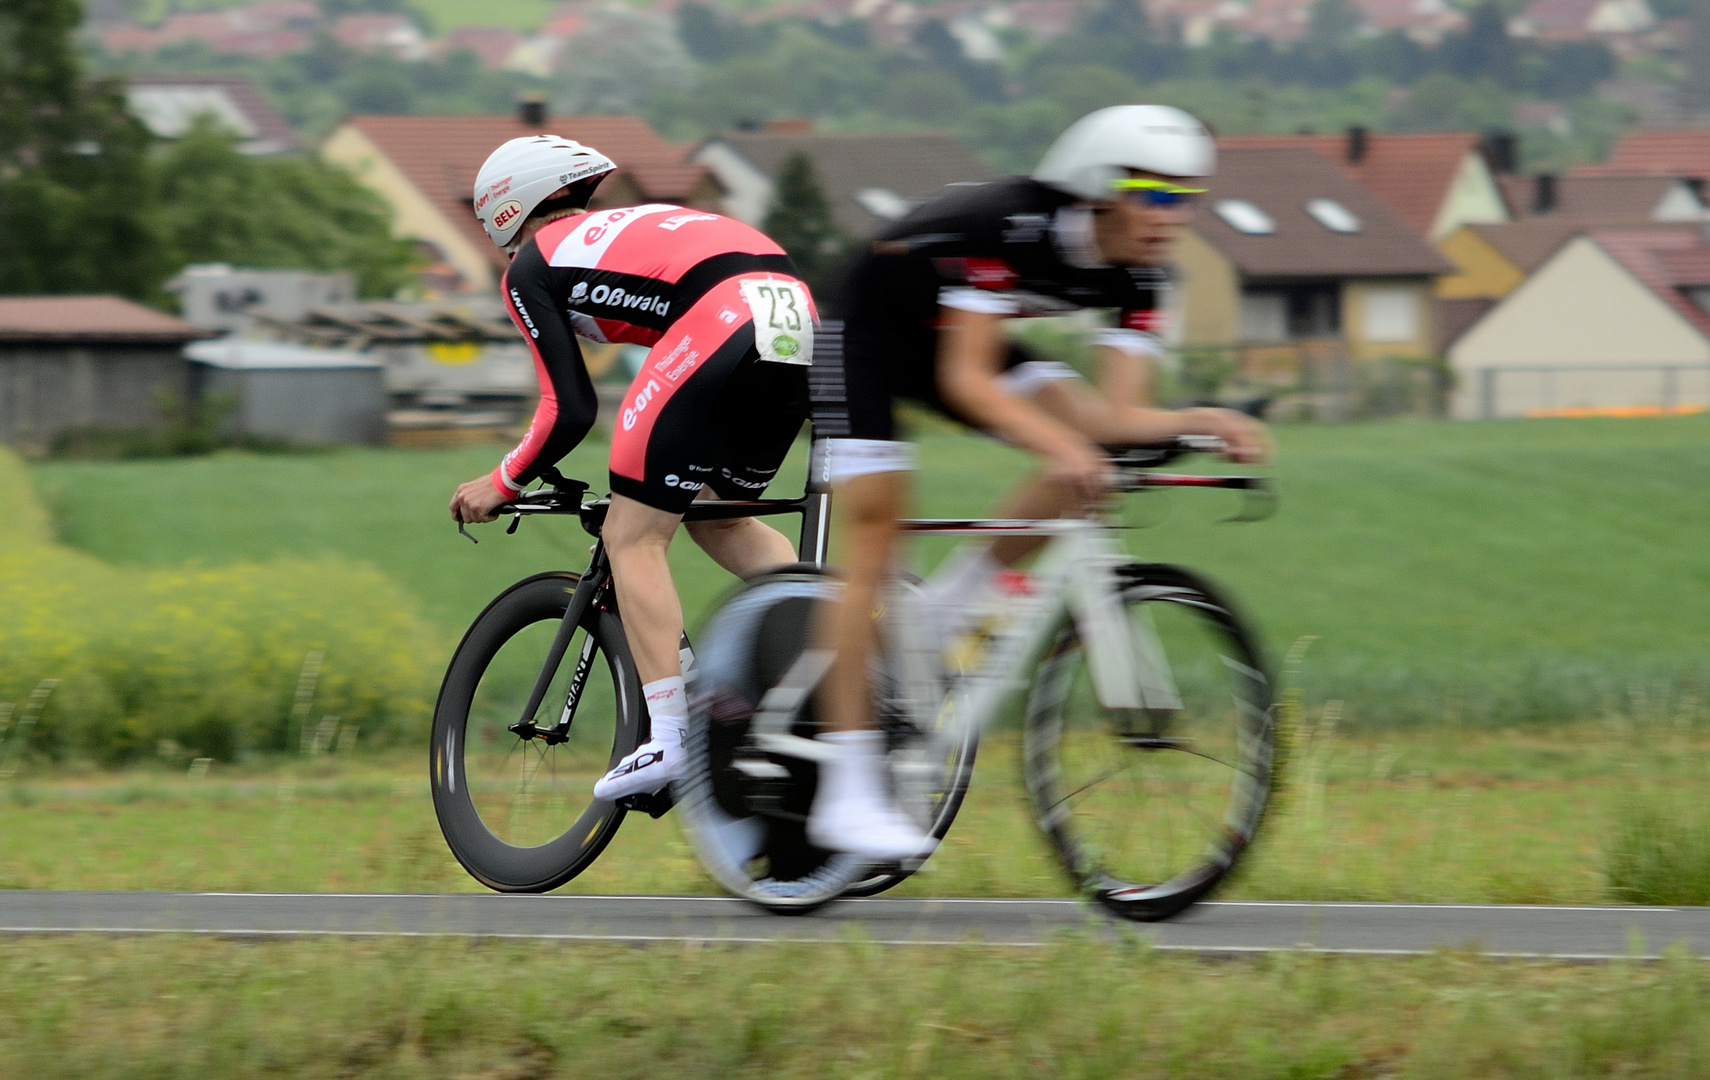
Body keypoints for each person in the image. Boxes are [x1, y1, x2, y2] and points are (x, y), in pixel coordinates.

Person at [809, 104, 1271, 860]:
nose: (1169, 217)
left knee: (1090, 453)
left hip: (949, 343)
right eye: (1152, 194)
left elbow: (1119, 416)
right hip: (863, 334)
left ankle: (941, 617)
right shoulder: (1009, 227)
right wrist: (1062, 445)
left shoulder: (1144, 274)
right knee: (876, 532)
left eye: (1184, 198)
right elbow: (966, 380)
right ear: (1098, 187)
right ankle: (846, 791)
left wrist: (1205, 421)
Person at [447, 134, 815, 801]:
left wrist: (501, 481)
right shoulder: (629, 227)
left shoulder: (533, 263)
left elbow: (568, 408)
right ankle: (825, 657)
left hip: (723, 320)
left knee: (632, 535)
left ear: (506, 211)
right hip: (795, 319)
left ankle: (672, 739)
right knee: (724, 521)